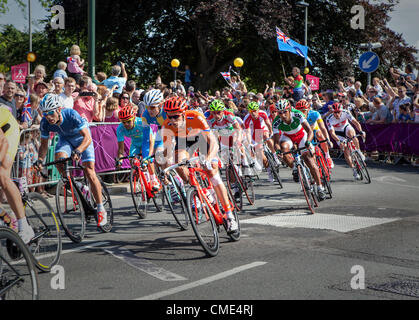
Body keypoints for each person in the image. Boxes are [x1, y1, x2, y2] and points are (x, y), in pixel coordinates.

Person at [160, 96, 239, 233]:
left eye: (176, 116)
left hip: (202, 139)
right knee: (179, 163)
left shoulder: (196, 117)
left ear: (184, 113)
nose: (172, 120)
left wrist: (208, 158)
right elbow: (167, 152)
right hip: (184, 143)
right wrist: (165, 170)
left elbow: (212, 141)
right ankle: (195, 189)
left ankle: (229, 215)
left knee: (212, 172)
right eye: (169, 116)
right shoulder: (167, 125)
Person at [34, 94, 108, 227]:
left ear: (58, 109)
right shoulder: (45, 123)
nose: (48, 117)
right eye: (45, 114)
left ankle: (101, 207)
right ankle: (75, 185)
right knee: (58, 160)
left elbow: (87, 138)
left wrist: (79, 150)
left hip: (82, 139)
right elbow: (44, 146)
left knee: (89, 171)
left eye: (51, 112)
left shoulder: (71, 114)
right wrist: (39, 159)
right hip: (65, 140)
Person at [272, 99, 326, 201]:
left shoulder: (297, 114)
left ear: (289, 109)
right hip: (287, 137)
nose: (282, 115)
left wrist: (308, 142)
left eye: (285, 112)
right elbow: (276, 142)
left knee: (308, 159)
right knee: (284, 149)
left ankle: (320, 188)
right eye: (280, 113)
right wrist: (278, 151)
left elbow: (309, 131)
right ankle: (295, 169)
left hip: (302, 135)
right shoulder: (276, 122)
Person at [0, 105, 35, 243]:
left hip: (8, 132)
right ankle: (6, 219)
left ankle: (24, 225)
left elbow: (3, 143)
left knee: (2, 175)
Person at [116, 105, 162, 191]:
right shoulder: (120, 129)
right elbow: (121, 150)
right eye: (123, 122)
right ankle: (145, 179)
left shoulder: (141, 123)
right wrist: (120, 161)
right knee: (132, 160)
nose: (125, 124)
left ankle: (153, 180)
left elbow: (151, 140)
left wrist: (150, 154)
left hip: (147, 141)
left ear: (133, 118)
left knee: (147, 159)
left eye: (128, 121)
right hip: (135, 144)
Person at [326, 102, 366, 180]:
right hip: (338, 134)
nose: (337, 114)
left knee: (352, 135)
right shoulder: (329, 119)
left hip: (346, 128)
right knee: (345, 150)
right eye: (335, 112)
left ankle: (358, 152)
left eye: (338, 112)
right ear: (332, 112)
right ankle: (354, 169)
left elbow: (356, 123)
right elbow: (332, 133)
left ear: (341, 110)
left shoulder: (346, 112)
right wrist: (339, 141)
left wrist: (361, 131)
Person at [294, 99, 334, 169]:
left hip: (314, 128)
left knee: (319, 135)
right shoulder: (295, 117)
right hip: (304, 132)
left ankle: (328, 157)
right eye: (299, 111)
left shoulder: (315, 114)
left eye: (304, 111)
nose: (301, 113)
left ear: (308, 109)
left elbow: (323, 128)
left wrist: (328, 140)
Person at [243, 101, 275, 182]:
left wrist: (271, 132)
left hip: (263, 128)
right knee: (261, 155)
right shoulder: (246, 118)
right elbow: (247, 132)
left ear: (258, 110)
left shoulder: (262, 113)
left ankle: (274, 154)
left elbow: (268, 123)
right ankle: (269, 172)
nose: (253, 113)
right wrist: (250, 143)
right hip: (255, 133)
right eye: (251, 111)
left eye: (255, 111)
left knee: (266, 135)